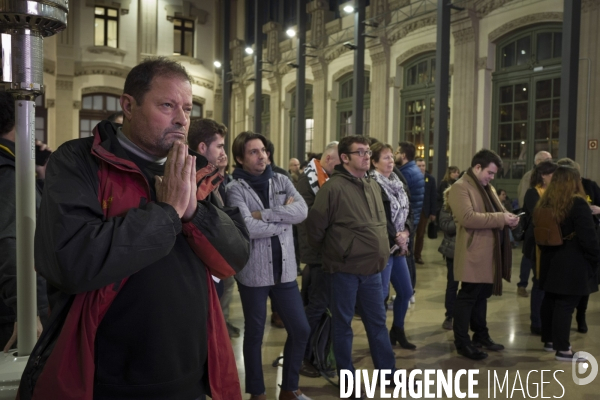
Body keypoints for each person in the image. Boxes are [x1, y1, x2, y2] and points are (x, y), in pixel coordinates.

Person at [18, 58, 250, 400]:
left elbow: (234, 258)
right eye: (167, 105)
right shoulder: (80, 161)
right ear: (128, 105)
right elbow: (70, 262)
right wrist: (168, 213)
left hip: (191, 375)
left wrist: (195, 213)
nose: (182, 119)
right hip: (110, 379)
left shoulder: (195, 169)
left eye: (187, 108)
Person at [307, 135, 396, 396]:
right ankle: (348, 380)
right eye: (360, 152)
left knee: (378, 324)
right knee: (343, 326)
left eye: (368, 152)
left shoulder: (371, 185)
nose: (367, 156)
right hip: (344, 270)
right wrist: (339, 251)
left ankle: (388, 375)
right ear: (345, 158)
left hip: (372, 271)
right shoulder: (332, 188)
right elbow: (314, 230)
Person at [226, 131, 311, 400]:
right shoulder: (234, 189)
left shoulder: (282, 180)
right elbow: (246, 227)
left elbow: (302, 211)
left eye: (263, 150)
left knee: (300, 329)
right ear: (240, 158)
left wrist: (264, 215)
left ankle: (289, 389)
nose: (262, 155)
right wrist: (283, 223)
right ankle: (257, 392)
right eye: (253, 152)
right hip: (253, 273)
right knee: (254, 335)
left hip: (284, 272)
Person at [447, 149, 519, 360]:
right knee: (468, 296)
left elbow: (497, 213)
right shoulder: (460, 187)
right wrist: (501, 218)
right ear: (477, 167)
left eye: (494, 174)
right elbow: (468, 218)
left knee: (482, 296)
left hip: (490, 251)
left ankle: (480, 335)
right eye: (490, 172)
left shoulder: (488, 187)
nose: (492, 177)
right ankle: (462, 342)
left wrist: (510, 219)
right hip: (473, 252)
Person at [0, 92, 49, 352]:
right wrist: (30, 313)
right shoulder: (9, 174)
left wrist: (39, 178)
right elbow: (12, 242)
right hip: (13, 316)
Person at [535, 166, 599, 361]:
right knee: (565, 304)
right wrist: (595, 257)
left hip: (549, 257)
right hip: (572, 260)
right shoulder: (577, 203)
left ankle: (550, 341)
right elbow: (588, 238)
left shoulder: (545, 201)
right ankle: (563, 350)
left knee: (551, 300)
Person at [187, 118, 241, 338]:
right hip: (202, 266)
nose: (222, 152)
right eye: (219, 146)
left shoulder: (210, 177)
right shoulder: (193, 180)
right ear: (202, 147)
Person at [296, 141, 340, 377]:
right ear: (329, 159)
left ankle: (315, 353)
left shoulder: (323, 177)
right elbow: (314, 220)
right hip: (317, 255)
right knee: (315, 307)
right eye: (339, 163)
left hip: (323, 254)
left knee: (319, 306)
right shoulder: (309, 180)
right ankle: (303, 356)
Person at [369, 142, 415, 349]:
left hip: (399, 247)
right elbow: (377, 217)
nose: (390, 161)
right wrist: (395, 235)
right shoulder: (372, 183)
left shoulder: (398, 180)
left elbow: (409, 210)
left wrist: (406, 231)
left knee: (405, 292)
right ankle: (377, 339)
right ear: (374, 162)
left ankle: (398, 330)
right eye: (385, 158)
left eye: (391, 157)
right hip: (384, 247)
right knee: (380, 297)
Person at [556, 158, 600, 334]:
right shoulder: (557, 194)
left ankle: (581, 316)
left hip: (589, 237)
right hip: (568, 244)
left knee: (585, 286)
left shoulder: (590, 186)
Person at [520, 161, 557, 334]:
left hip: (551, 243)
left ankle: (547, 319)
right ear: (543, 175)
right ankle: (536, 322)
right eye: (552, 175)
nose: (555, 179)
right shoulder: (532, 192)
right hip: (536, 243)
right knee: (539, 282)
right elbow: (539, 214)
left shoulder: (554, 192)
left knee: (548, 283)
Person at [395, 142, 424, 302]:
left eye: (397, 152)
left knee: (406, 258)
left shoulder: (406, 173)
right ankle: (410, 291)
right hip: (413, 220)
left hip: (408, 221)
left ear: (403, 155)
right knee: (409, 257)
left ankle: (408, 292)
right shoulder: (412, 170)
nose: (395, 155)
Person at [438, 188, 458, 330]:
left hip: (469, 251)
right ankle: (449, 315)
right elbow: (445, 226)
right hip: (453, 251)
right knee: (452, 284)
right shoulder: (447, 208)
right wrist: (461, 220)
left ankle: (465, 316)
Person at [413, 157, 436, 265]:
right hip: (412, 210)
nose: (421, 168)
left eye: (423, 165)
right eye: (419, 166)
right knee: (410, 234)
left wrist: (433, 212)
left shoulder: (430, 179)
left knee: (421, 235)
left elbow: (433, 196)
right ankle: (407, 255)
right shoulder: (410, 177)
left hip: (424, 210)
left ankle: (417, 256)